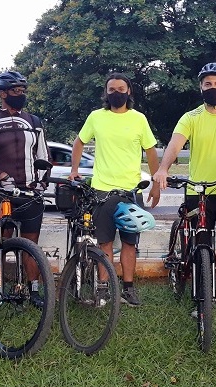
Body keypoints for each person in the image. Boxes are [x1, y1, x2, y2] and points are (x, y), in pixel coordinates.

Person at [153, 62, 216, 319]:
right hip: (198, 191)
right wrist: (163, 168)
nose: (213, 88)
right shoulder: (191, 117)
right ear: (200, 87)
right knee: (198, 246)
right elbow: (176, 143)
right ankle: (200, 299)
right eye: (208, 84)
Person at [69, 73, 161, 307]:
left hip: (130, 190)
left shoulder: (139, 119)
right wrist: (74, 169)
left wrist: (156, 183)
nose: (116, 93)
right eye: (112, 89)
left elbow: (151, 151)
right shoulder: (96, 117)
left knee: (130, 243)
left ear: (129, 91)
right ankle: (103, 288)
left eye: (121, 88)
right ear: (106, 93)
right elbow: (79, 142)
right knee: (105, 243)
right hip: (101, 191)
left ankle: (128, 288)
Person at [0, 70, 51, 308]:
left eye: (23, 91)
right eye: (16, 91)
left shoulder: (34, 122)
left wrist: (42, 182)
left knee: (32, 244)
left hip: (29, 193)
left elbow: (44, 158)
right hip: (0, 192)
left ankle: (33, 290)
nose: (21, 95)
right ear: (3, 93)